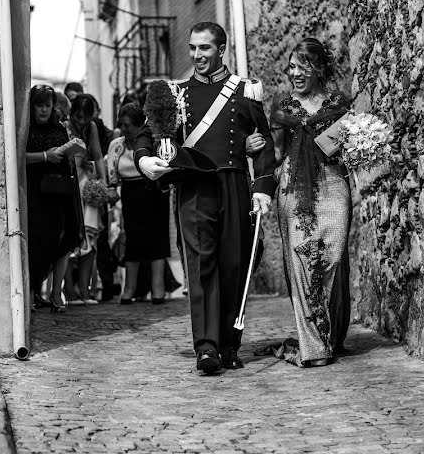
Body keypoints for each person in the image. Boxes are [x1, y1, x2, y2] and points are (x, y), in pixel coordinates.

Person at [135, 21, 277, 375]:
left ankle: (230, 344)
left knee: (234, 263)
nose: (197, 55)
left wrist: (262, 187)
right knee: (201, 268)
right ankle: (206, 347)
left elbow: (265, 142)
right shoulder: (175, 93)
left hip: (234, 185)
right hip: (194, 187)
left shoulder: (246, 92)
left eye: (205, 48)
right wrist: (144, 160)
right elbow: (144, 135)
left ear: (221, 49)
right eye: (193, 48)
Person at [247, 38, 351, 367]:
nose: (294, 73)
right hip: (293, 188)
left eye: (301, 66)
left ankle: (329, 332)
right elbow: (275, 153)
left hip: (333, 184)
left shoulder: (338, 103)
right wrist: (254, 151)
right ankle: (313, 346)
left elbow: (346, 149)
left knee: (332, 258)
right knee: (303, 261)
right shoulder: (283, 108)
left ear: (318, 68)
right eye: (291, 67)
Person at [25, 84, 81, 313]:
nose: (44, 110)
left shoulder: (58, 127)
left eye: (48, 105)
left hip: (59, 192)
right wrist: (45, 156)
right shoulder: (25, 128)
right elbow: (18, 156)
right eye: (40, 105)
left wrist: (68, 151)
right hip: (36, 193)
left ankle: (56, 292)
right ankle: (30, 293)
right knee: (37, 242)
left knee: (64, 239)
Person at [106, 103, 170, 304]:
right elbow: (112, 172)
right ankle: (129, 288)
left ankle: (158, 288)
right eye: (122, 125)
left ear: (138, 125)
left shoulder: (152, 142)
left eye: (128, 125)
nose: (124, 129)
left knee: (157, 239)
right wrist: (111, 188)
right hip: (130, 194)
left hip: (153, 191)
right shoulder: (117, 145)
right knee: (133, 240)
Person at [65, 93, 106, 304]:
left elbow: (98, 156)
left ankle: (85, 288)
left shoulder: (91, 128)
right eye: (78, 117)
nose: (81, 121)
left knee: (90, 235)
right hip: (69, 184)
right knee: (70, 238)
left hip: (86, 183)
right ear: (72, 113)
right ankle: (69, 289)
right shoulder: (64, 126)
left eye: (85, 117)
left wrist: (104, 185)